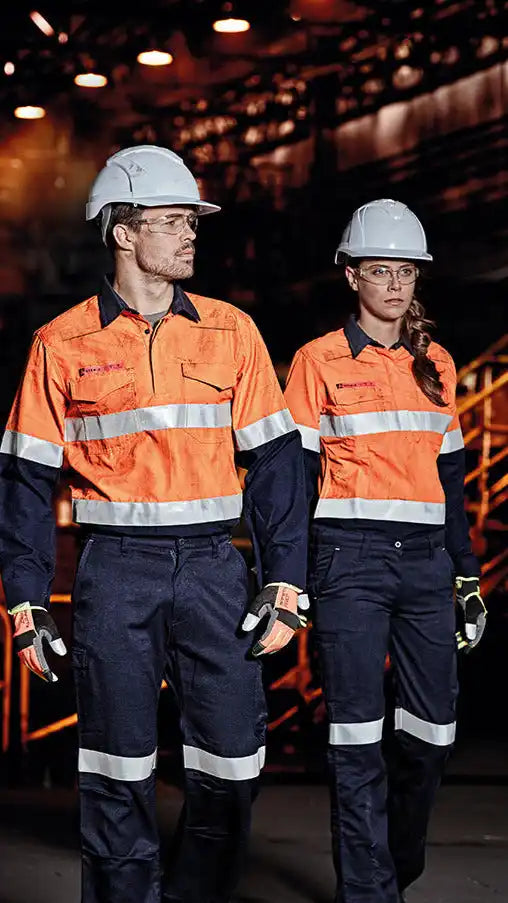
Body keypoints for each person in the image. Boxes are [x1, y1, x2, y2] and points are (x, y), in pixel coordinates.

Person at [0, 144, 308, 903]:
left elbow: (276, 462)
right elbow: (24, 479)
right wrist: (26, 599)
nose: (190, 234)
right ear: (124, 232)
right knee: (116, 768)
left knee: (234, 765)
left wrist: (286, 577)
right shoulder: (60, 344)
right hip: (114, 574)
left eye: (190, 222)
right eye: (172, 221)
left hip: (214, 569)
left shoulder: (233, 332)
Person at [284, 198, 487, 903]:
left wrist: (468, 577)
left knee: (431, 735)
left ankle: (392, 861)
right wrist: (290, 576)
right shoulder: (316, 362)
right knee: (356, 736)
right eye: (380, 270)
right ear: (351, 276)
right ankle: (370, 891)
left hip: (428, 563)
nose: (396, 285)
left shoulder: (438, 363)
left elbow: (452, 478)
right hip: (349, 562)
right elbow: (292, 481)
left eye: (405, 271)